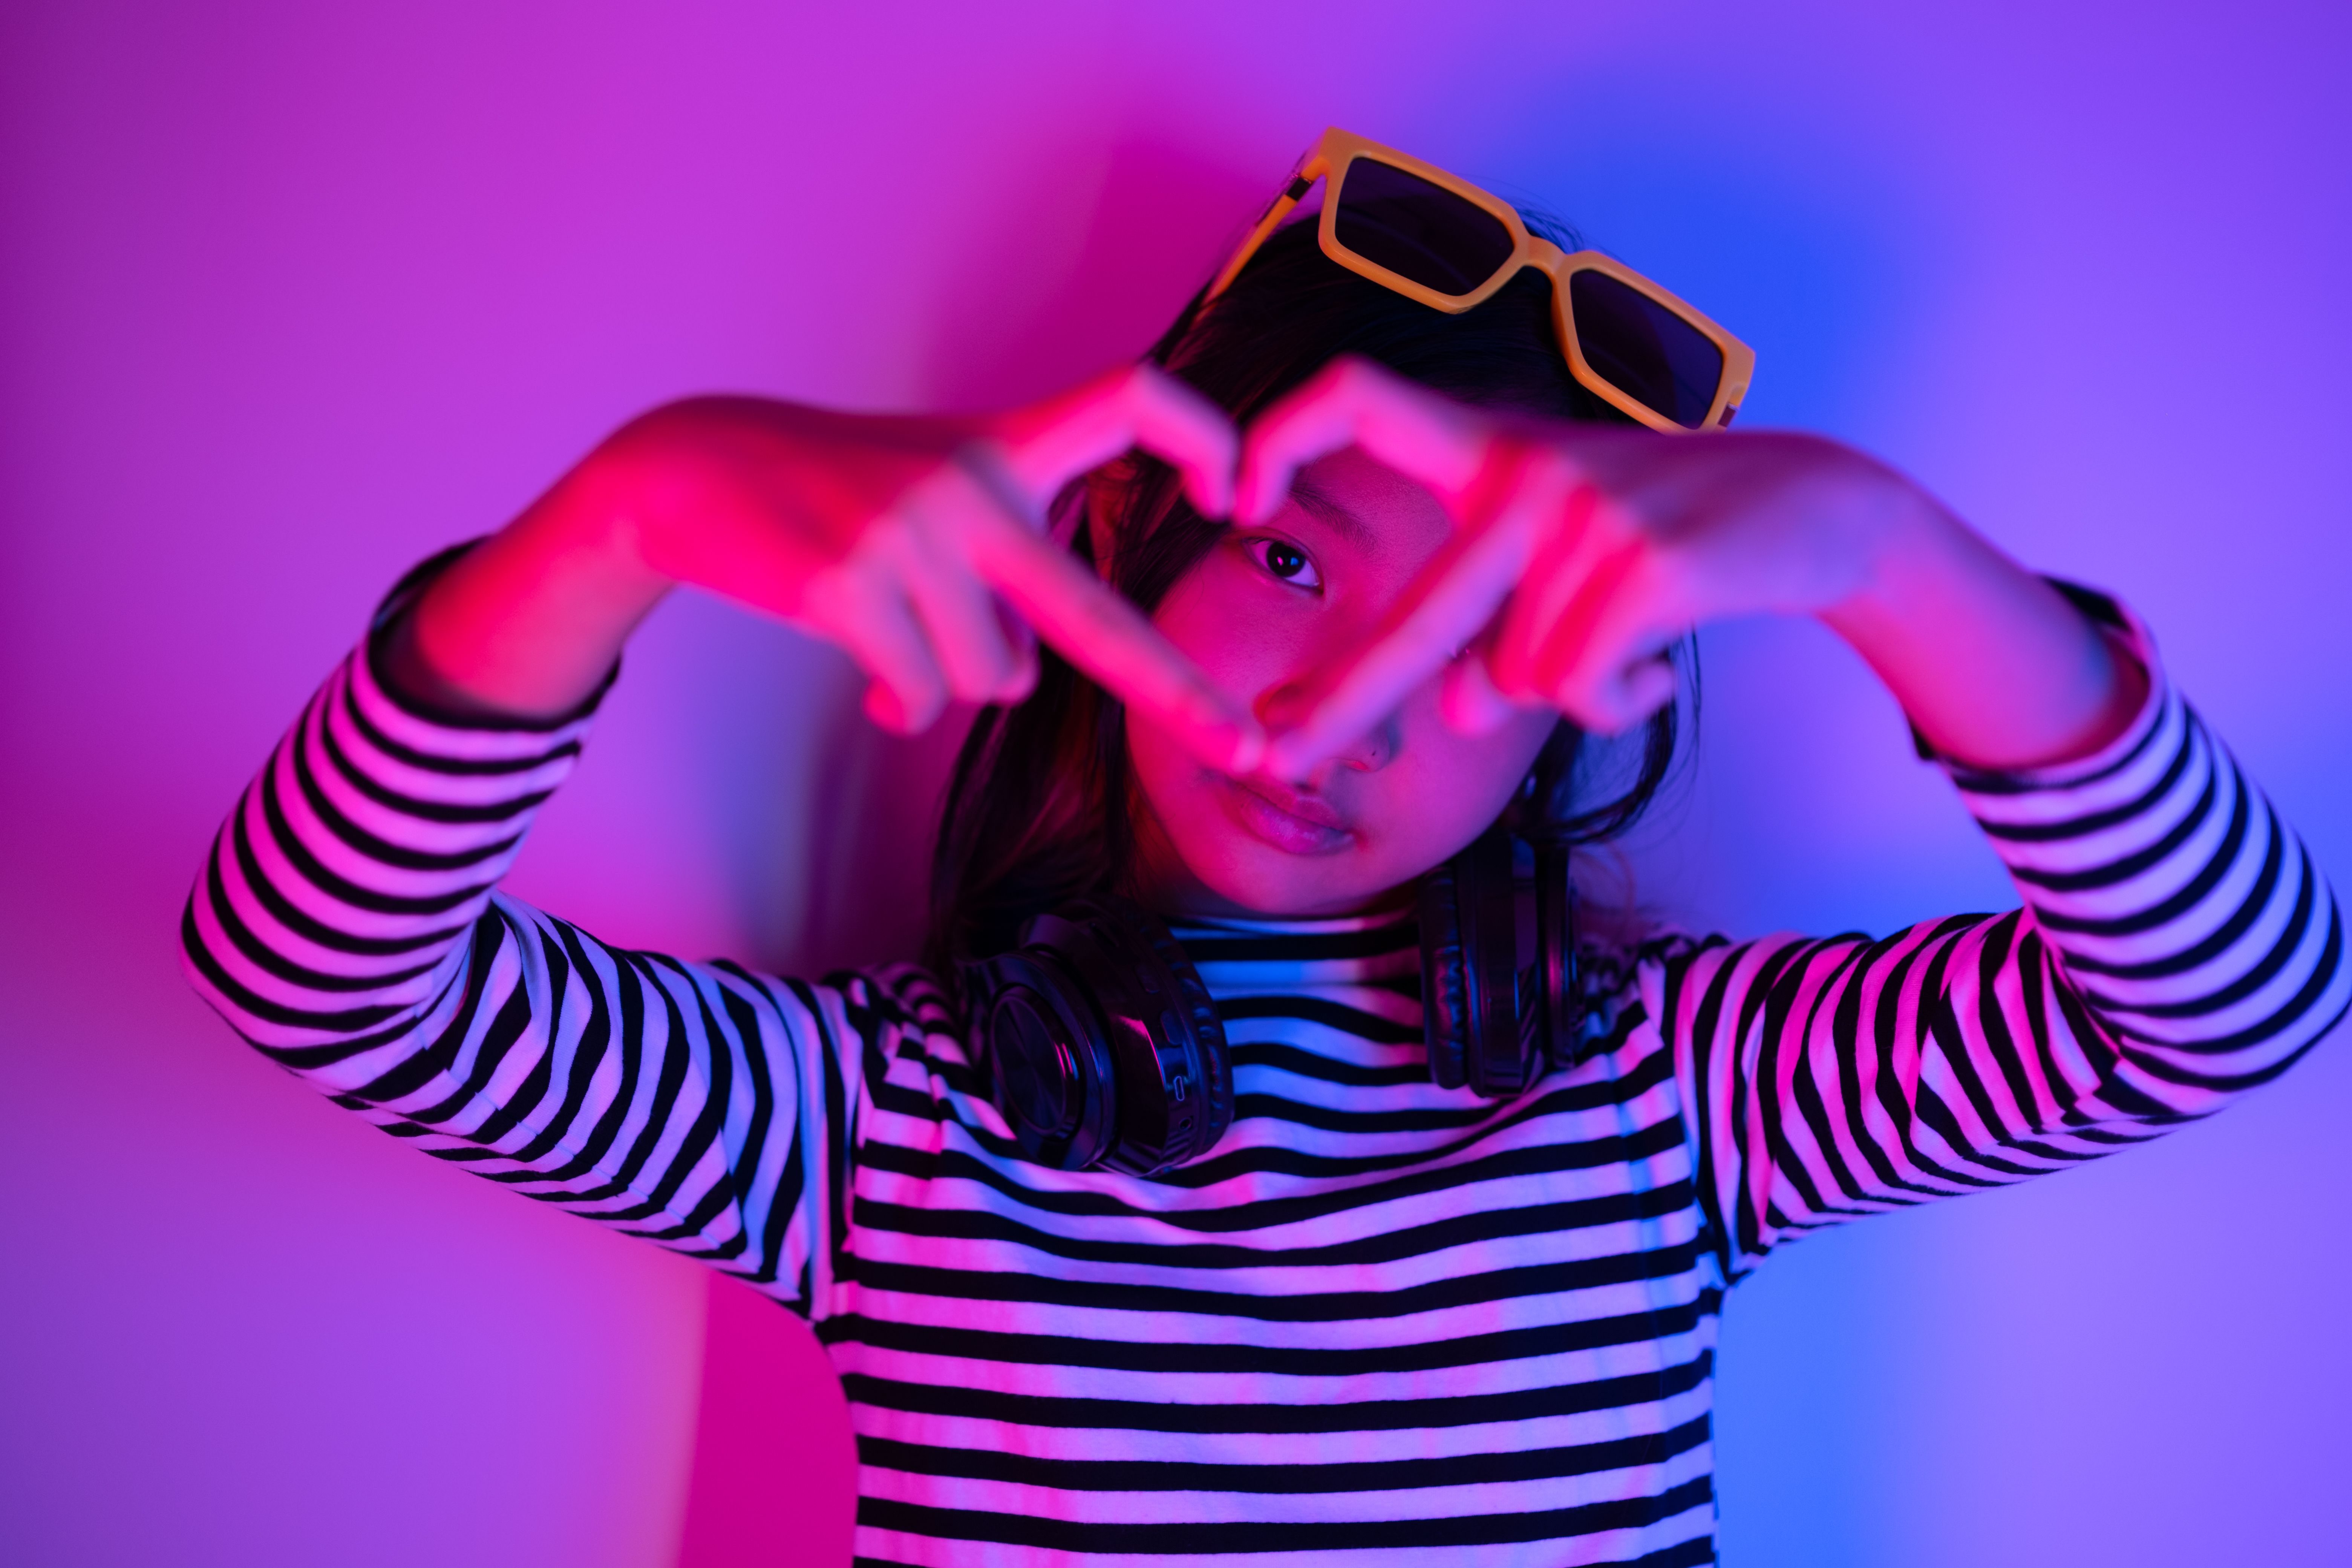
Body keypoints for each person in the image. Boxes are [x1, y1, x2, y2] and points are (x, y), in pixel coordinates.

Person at [182, 128, 2344, 1567]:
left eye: (1483, 632)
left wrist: (1884, 548)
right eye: (1298, 569)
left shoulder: (1676, 1097)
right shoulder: (880, 1122)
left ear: (1605, 694)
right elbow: (313, 971)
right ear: (1125, 536)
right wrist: (629, 514)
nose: (1345, 710)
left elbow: (2232, 1006)